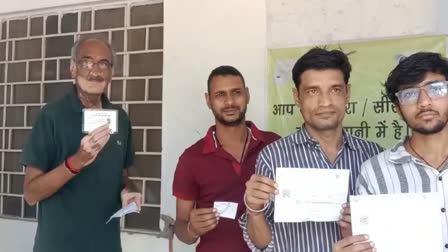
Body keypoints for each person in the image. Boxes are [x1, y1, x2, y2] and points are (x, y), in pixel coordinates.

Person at [241, 48, 383, 252]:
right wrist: (254, 210)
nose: (325, 102)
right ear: (296, 97)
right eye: (312, 91)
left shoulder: (373, 156)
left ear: (347, 93)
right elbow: (263, 244)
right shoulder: (273, 157)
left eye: (335, 90)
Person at [21, 38, 141, 252]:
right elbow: (31, 194)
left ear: (111, 72)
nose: (95, 71)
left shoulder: (120, 118)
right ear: (72, 68)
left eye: (103, 64)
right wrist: (77, 161)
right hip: (59, 246)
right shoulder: (51, 116)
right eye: (86, 62)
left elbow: (121, 174)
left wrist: (129, 190)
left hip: (106, 245)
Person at [336, 52, 448, 251]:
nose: (424, 102)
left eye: (436, 89)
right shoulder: (375, 172)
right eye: (410, 94)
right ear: (397, 107)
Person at [172, 66, 280, 252]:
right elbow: (181, 228)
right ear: (208, 100)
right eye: (220, 95)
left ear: (247, 95)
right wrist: (192, 229)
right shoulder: (191, 159)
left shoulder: (274, 145)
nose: (229, 101)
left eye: (236, 92)